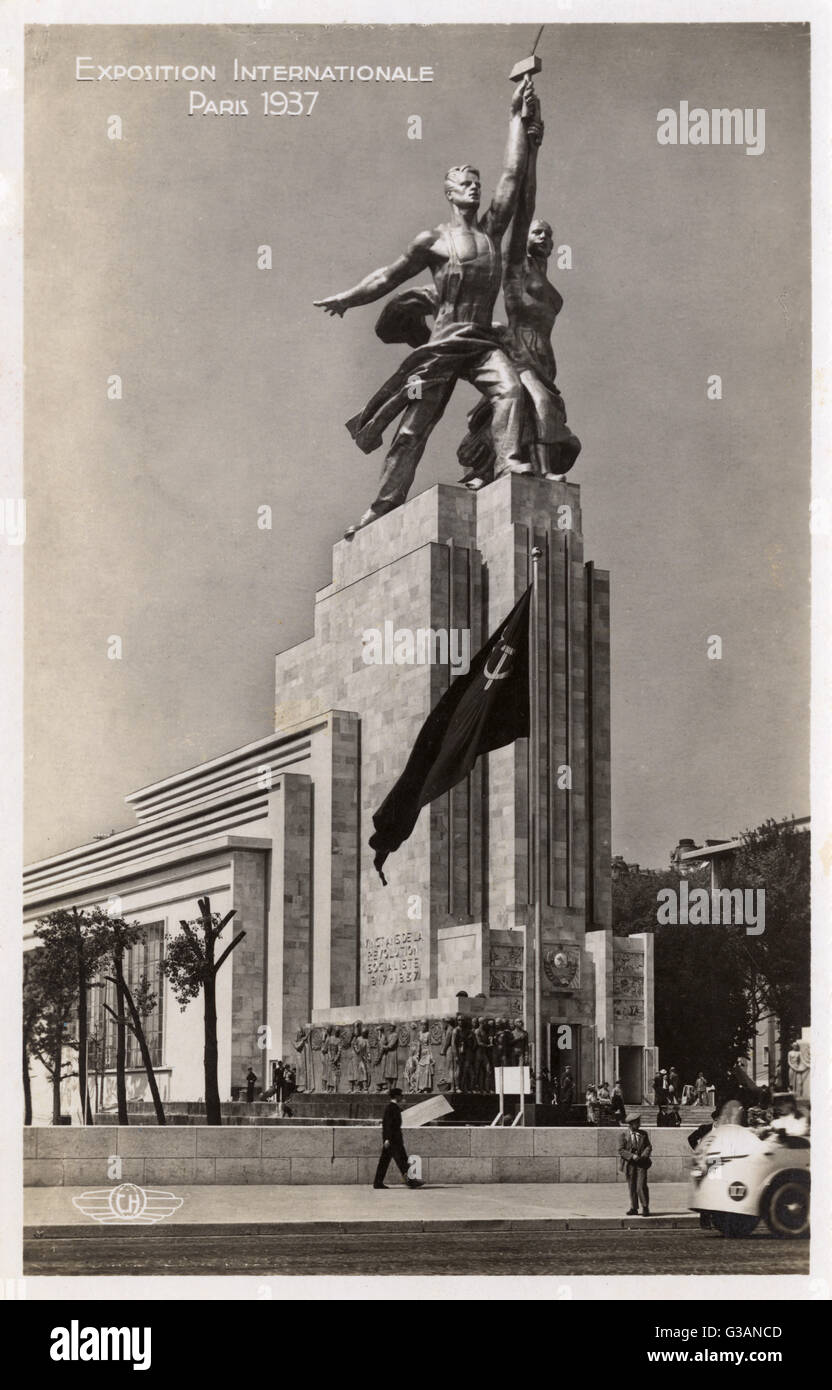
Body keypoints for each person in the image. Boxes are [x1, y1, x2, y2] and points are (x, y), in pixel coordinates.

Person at [314, 78, 539, 538]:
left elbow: (513, 177)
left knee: (511, 392)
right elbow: (388, 276)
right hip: (440, 348)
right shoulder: (434, 240)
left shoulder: (492, 232)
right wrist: (348, 298)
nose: (475, 190)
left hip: (479, 342)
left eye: (477, 184)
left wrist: (516, 116)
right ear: (450, 193)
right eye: (466, 185)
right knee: (413, 430)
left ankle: (513, 466)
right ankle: (382, 507)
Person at [459, 91, 580, 487]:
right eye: (538, 232)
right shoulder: (515, 270)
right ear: (525, 239)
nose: (543, 236)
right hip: (520, 353)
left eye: (549, 234)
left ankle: (507, 469)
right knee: (539, 406)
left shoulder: (548, 285)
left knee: (537, 409)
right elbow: (525, 202)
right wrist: (532, 145)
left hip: (545, 363)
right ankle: (544, 473)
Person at [373, 1088, 422, 1189]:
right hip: (393, 1140)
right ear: (396, 1096)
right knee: (402, 1161)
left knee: (386, 1161)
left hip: (393, 1140)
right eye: (401, 1095)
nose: (402, 1097)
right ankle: (411, 1181)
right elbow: (387, 1125)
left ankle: (378, 1182)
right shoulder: (392, 1108)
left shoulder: (393, 1107)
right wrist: (387, 1139)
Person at [619, 1113, 652, 1216]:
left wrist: (644, 1155)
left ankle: (645, 1207)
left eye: (639, 1122)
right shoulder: (624, 1135)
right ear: (630, 1124)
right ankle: (634, 1208)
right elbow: (621, 1150)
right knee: (632, 1186)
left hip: (641, 1163)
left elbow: (648, 1146)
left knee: (641, 1185)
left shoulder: (644, 1134)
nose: (639, 1124)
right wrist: (632, 1156)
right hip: (630, 1164)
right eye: (636, 1122)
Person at [415, 1020, 435, 1093]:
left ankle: (426, 1088)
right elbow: (418, 1045)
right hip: (421, 1054)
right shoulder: (419, 1034)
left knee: (426, 1071)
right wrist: (417, 1054)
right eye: (422, 1025)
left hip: (427, 1054)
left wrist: (431, 1056)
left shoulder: (428, 1034)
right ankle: (420, 1087)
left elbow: (429, 1045)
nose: (423, 1026)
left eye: (425, 1025)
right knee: (420, 1071)